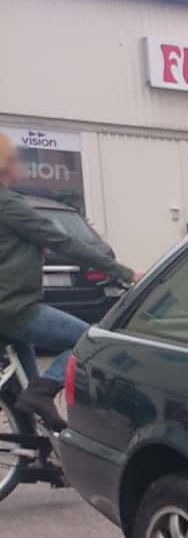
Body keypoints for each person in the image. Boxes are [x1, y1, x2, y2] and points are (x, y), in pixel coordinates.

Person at [1, 132, 136, 427]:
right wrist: (124, 272)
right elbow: (65, 242)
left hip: (7, 310)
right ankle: (43, 394)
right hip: (16, 308)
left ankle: (34, 454)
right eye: (14, 160)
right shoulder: (8, 204)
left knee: (21, 393)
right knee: (89, 341)